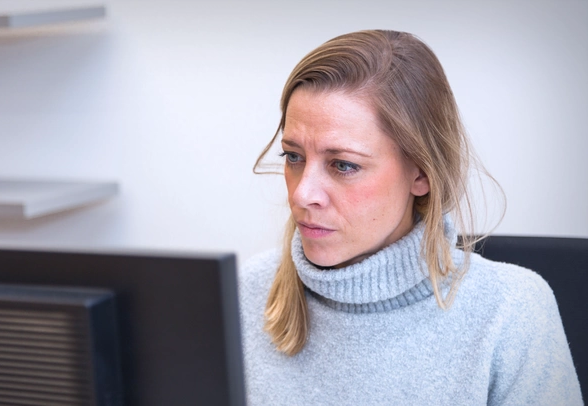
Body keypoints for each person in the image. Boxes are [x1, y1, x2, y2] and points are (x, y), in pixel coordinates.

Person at [239, 30, 582, 405]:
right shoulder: (244, 295)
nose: (302, 193)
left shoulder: (510, 313)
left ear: (421, 173)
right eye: (293, 157)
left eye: (343, 165)